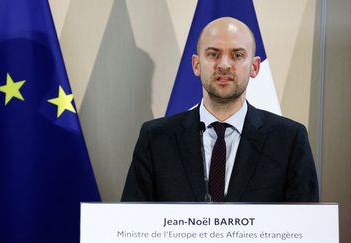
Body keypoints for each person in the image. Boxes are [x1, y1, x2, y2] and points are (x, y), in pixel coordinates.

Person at [121, 17, 319, 202]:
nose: (224, 65)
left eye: (237, 55)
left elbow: (306, 227)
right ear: (196, 64)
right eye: (213, 54)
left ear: (255, 67)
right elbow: (131, 222)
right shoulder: (155, 138)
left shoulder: (289, 140)